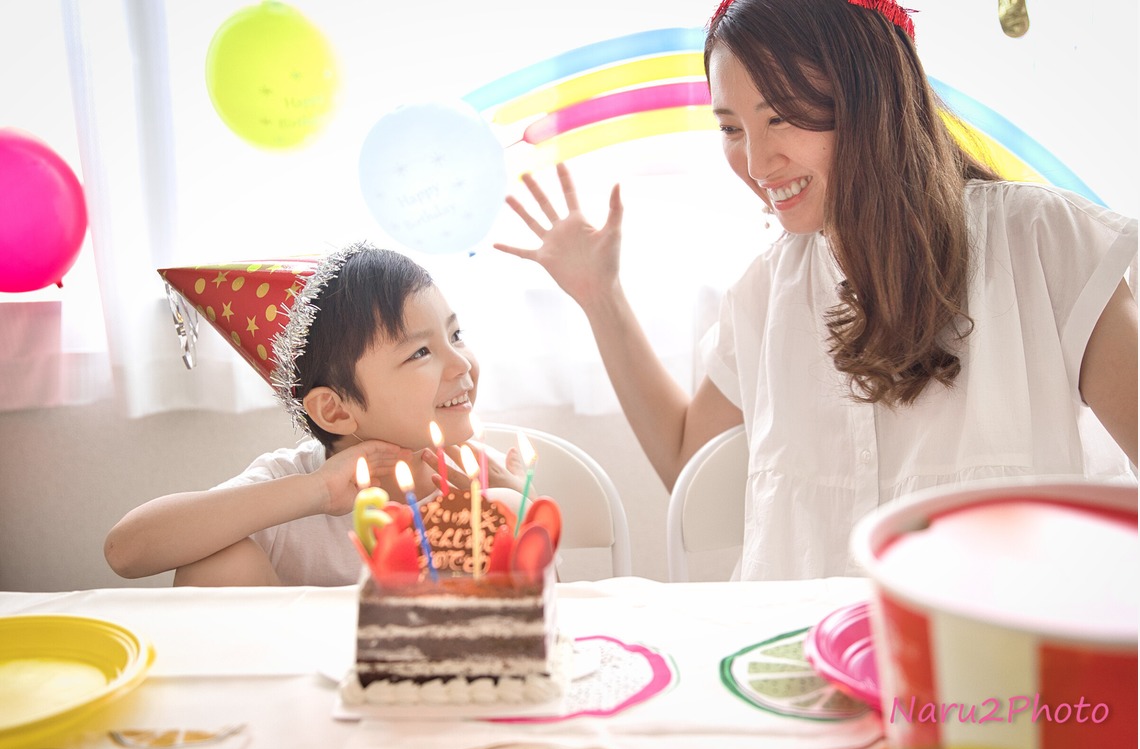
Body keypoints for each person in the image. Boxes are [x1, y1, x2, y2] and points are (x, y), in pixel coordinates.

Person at [494, 0, 1138, 581]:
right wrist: (600, 296)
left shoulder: (1041, 241)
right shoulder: (766, 290)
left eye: (780, 117)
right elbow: (688, 463)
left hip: (995, 661)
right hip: (801, 661)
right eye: (731, 128)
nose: (756, 163)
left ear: (871, 99)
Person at [105, 243, 523, 586]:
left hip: (444, 661)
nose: (461, 364)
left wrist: (523, 503)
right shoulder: (295, 482)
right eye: (421, 352)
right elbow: (125, 550)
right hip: (298, 663)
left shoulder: (478, 480)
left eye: (456, 335)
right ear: (335, 410)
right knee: (216, 562)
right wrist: (317, 491)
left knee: (505, 512)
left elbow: (544, 610)